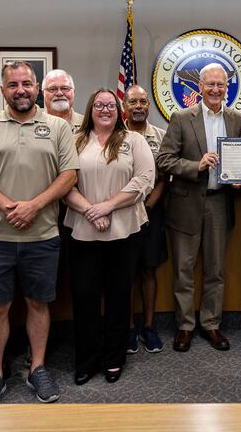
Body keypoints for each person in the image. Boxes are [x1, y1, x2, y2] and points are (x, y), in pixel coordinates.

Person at [0, 61, 78, 404]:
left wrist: (34, 205)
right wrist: (8, 206)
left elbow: (69, 175)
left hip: (42, 236)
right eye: (13, 85)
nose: (21, 90)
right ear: (3, 91)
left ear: (36, 87)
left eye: (27, 83)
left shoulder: (57, 127)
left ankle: (37, 368)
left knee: (38, 304)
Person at [64, 88, 155, 384]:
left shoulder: (134, 140)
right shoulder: (74, 140)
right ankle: (87, 360)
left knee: (119, 297)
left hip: (124, 231)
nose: (105, 109)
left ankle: (114, 358)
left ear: (119, 111)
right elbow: (64, 182)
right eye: (99, 105)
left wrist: (107, 206)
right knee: (85, 297)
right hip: (82, 230)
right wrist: (91, 210)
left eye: (111, 105)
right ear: (90, 109)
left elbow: (144, 179)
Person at [157, 63, 241, 352]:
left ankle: (211, 324)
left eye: (221, 85)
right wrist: (196, 165)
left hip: (220, 202)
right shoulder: (182, 117)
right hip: (186, 203)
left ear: (227, 88)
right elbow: (165, 159)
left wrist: (238, 179)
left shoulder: (236, 118)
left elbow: (239, 159)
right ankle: (184, 326)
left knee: (215, 270)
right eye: (210, 84)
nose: (216, 90)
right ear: (199, 87)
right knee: (183, 270)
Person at [123, 84, 168, 354]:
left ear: (148, 106)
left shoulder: (160, 136)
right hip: (122, 212)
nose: (139, 106)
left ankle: (149, 327)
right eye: (133, 102)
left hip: (151, 211)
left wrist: (148, 206)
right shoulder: (115, 135)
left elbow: (165, 178)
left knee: (149, 269)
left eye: (143, 102)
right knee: (125, 272)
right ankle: (128, 328)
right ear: (124, 106)